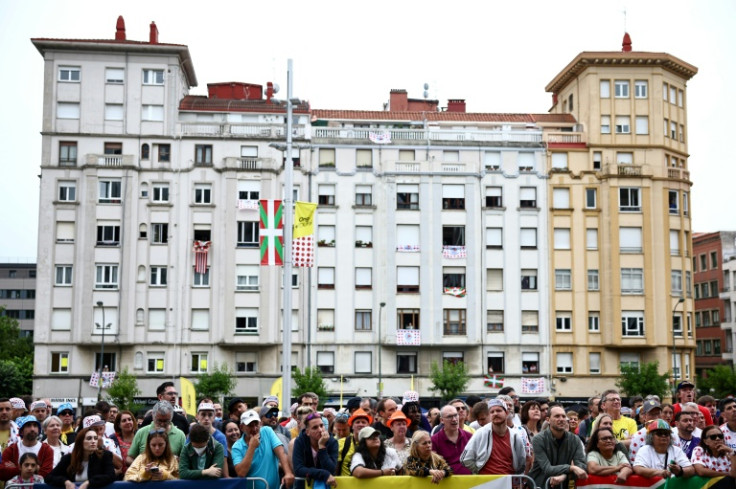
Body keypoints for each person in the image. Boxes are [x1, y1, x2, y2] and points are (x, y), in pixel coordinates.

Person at [460, 399, 526, 475]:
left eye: (498, 411)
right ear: (489, 415)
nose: (495, 414)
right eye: (492, 412)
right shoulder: (480, 433)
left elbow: (522, 463)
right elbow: (465, 459)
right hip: (486, 482)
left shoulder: (515, 436)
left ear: (507, 413)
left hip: (508, 482)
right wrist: (479, 471)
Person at [232, 410, 294, 489]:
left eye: (256, 424)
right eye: (250, 425)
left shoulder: (267, 431)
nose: (254, 429)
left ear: (260, 423)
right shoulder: (237, 447)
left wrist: (288, 473)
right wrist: (251, 447)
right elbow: (241, 473)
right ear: (241, 427)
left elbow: (281, 453)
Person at [528, 405, 588, 488]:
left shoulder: (575, 440)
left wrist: (564, 476)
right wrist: (571, 468)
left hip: (563, 485)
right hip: (540, 485)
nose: (561, 419)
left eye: (563, 416)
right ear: (548, 420)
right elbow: (547, 468)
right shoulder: (538, 439)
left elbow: (581, 466)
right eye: (557, 416)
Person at [46, 427, 116, 489]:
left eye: (95, 438)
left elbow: (111, 476)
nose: (93, 441)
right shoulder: (68, 459)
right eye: (89, 438)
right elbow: (49, 477)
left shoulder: (105, 456)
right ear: (80, 442)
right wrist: (65, 482)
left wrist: (89, 482)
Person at [126, 401, 185, 467]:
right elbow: (129, 458)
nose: (162, 424)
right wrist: (141, 467)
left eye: (166, 421)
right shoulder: (141, 432)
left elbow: (185, 460)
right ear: (153, 417)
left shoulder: (180, 435)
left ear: (171, 418)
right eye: (159, 420)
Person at [0, 415, 54, 480]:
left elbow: (46, 474)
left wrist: (17, 468)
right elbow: (2, 473)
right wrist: (35, 469)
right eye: (28, 426)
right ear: (21, 430)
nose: (32, 429)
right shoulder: (11, 450)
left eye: (35, 425)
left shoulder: (47, 450)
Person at [292, 412, 337, 489]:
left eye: (321, 425)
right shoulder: (300, 441)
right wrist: (323, 473)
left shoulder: (331, 441)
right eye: (315, 427)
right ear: (307, 432)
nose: (320, 430)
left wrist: (322, 446)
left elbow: (331, 470)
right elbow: (298, 469)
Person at [430, 405, 472, 475]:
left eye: (456, 415)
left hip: (470, 482)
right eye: (449, 417)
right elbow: (433, 465)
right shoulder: (434, 440)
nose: (454, 419)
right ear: (442, 420)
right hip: (446, 483)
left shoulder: (469, 437)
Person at [192, 402, 229, 477]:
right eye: (203, 414)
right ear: (197, 416)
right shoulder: (192, 435)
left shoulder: (220, 437)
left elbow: (224, 460)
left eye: (210, 415)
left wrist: (226, 478)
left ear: (214, 416)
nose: (206, 418)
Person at [336, 408, 372, 476]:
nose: (360, 424)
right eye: (357, 422)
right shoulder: (341, 443)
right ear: (352, 426)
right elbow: (336, 469)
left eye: (363, 422)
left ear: (368, 425)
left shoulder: (374, 443)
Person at [110, 410, 137, 476]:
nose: (128, 422)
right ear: (119, 425)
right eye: (124, 420)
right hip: (120, 478)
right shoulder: (113, 439)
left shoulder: (139, 435)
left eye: (130, 419)